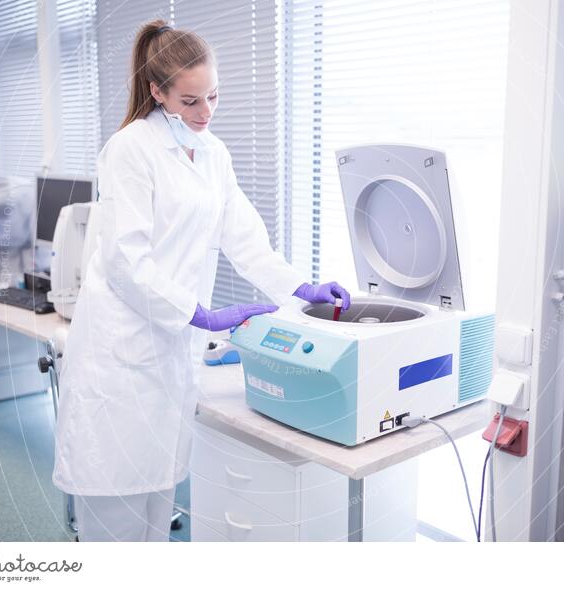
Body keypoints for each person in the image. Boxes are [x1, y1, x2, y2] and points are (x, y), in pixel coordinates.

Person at [52, 19, 351, 542]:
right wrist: (200, 314)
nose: (205, 112)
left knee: (155, 520)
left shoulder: (212, 152)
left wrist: (301, 288)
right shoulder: (129, 150)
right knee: (114, 533)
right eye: (191, 101)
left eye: (213, 95)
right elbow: (126, 260)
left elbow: (245, 238)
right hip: (119, 358)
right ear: (158, 92)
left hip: (168, 358)